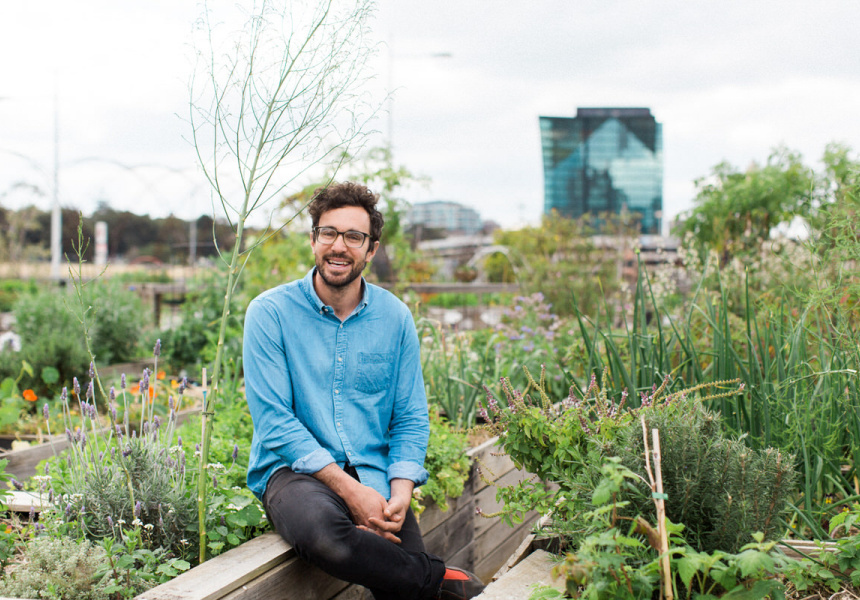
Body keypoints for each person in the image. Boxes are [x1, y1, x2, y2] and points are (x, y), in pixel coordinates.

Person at [243, 182, 484, 600]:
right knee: (325, 537)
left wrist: (400, 491)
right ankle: (440, 579)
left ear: (371, 249)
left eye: (353, 237)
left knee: (401, 593)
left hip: (374, 473)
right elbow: (274, 420)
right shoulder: (270, 313)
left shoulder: (395, 317)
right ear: (313, 239)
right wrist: (351, 492)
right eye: (329, 233)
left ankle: (424, 580)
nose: (339, 246)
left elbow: (410, 416)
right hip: (294, 472)